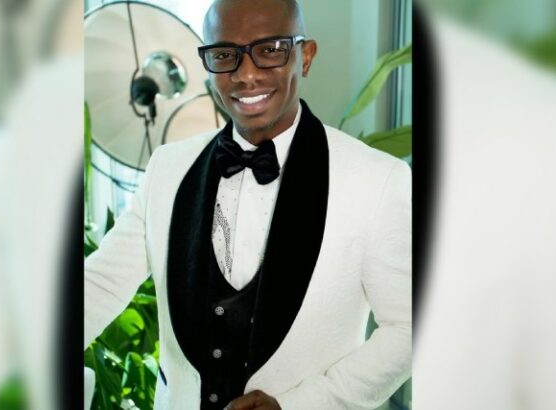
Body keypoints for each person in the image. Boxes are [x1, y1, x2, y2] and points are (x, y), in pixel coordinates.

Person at [84, 0, 412, 408]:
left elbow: (407, 328)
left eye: (270, 49)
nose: (246, 74)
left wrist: (297, 405)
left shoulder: (378, 179)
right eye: (225, 55)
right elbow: (102, 283)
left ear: (305, 56)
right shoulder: (168, 167)